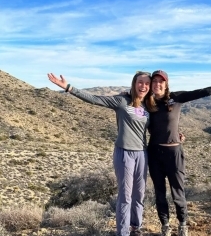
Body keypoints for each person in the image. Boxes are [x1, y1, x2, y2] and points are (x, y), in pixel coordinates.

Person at [47, 71, 154, 236]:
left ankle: (136, 227)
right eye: (140, 82)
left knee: (139, 194)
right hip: (124, 153)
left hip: (142, 153)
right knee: (125, 196)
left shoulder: (149, 106)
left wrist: (177, 135)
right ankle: (123, 232)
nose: (143, 86)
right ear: (134, 83)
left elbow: (160, 125)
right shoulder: (122, 101)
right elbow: (95, 99)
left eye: (147, 83)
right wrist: (68, 88)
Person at [147, 70, 211, 236]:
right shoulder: (146, 102)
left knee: (178, 192)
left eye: (161, 81)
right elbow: (131, 98)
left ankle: (183, 225)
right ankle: (165, 226)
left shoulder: (176, 97)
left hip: (174, 153)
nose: (157, 84)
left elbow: (202, 92)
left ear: (166, 84)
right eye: (154, 81)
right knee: (159, 193)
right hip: (154, 153)